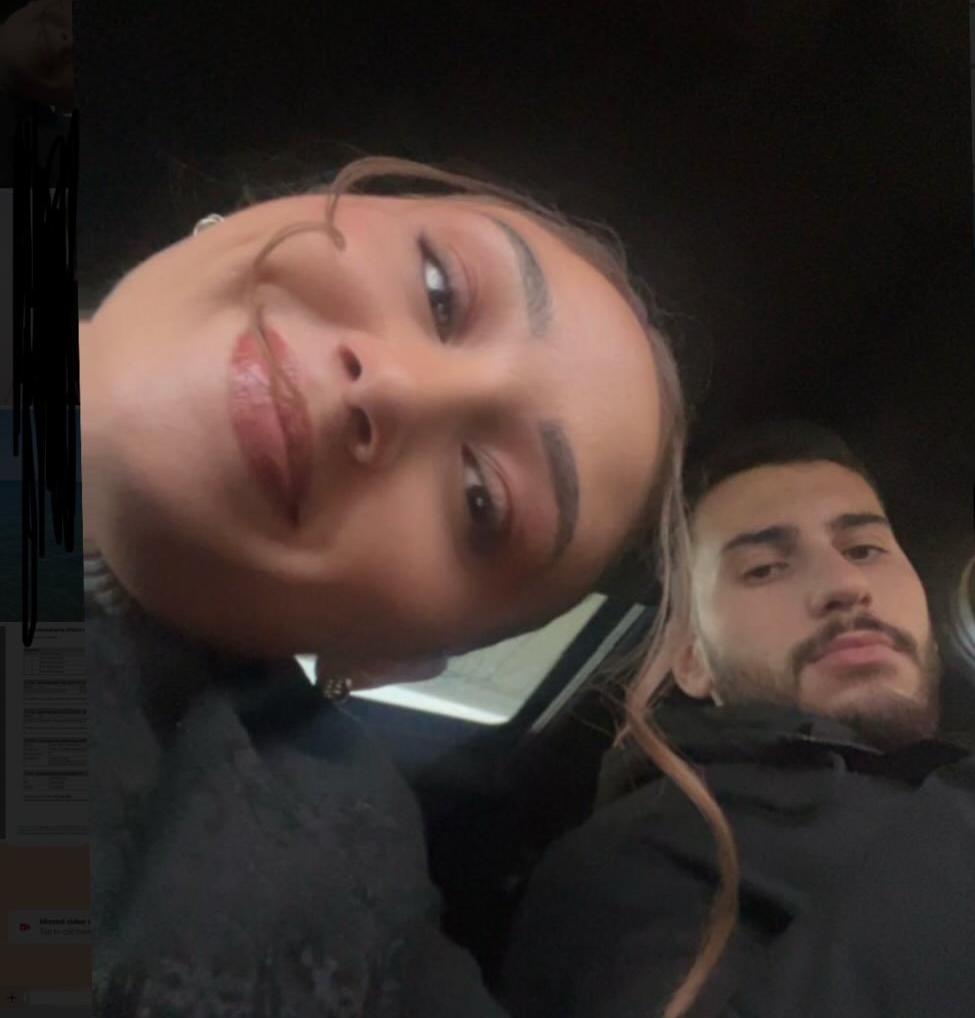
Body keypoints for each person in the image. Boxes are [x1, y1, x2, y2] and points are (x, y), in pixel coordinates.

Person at [81, 155, 694, 1016]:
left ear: (384, 662)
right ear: (296, 200)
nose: (397, 390)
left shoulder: (339, 921)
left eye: (481, 499)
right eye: (441, 290)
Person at [502, 420, 975, 1018]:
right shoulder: (631, 862)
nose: (845, 584)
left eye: (864, 549)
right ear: (693, 661)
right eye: (764, 568)